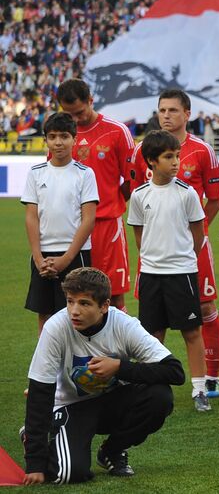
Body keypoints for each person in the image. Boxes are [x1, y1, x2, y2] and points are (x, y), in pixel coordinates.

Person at [22, 268, 185, 484]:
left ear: (105, 306)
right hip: (72, 406)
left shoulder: (124, 325)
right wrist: (35, 463)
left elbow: (175, 371)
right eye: (70, 301)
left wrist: (119, 367)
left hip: (113, 403)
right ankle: (41, 431)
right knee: (67, 474)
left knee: (160, 397)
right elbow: (39, 392)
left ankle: (111, 451)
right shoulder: (56, 327)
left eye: (84, 303)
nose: (74, 311)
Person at [133, 89, 219, 399]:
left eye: (173, 110)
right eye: (162, 109)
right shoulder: (142, 151)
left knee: (204, 307)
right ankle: (155, 381)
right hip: (156, 255)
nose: (166, 115)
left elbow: (214, 199)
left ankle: (210, 377)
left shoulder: (202, 151)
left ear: (187, 114)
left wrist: (190, 235)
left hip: (191, 249)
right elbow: (139, 206)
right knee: (153, 323)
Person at [126, 130, 209, 412]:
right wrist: (153, 257)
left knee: (191, 332)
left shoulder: (187, 194)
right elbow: (139, 235)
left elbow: (198, 233)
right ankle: (148, 389)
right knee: (152, 334)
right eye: (168, 157)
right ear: (151, 161)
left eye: (177, 156)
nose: (176, 162)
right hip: (150, 274)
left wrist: (183, 257)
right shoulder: (139, 195)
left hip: (182, 273)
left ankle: (199, 389)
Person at [56, 79, 134, 310]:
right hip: (70, 227)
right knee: (73, 295)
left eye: (79, 112)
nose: (75, 120)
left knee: (113, 295)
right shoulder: (61, 134)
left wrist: (111, 200)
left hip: (106, 226)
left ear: (91, 100)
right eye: (69, 114)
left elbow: (131, 179)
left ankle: (115, 347)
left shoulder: (117, 131)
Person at [23, 112, 98, 330]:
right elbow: (31, 217)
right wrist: (38, 260)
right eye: (53, 136)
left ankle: (76, 364)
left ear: (74, 139)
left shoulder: (85, 174)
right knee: (45, 316)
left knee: (78, 314)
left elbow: (88, 219)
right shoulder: (36, 173)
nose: (58, 142)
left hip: (76, 254)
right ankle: (48, 365)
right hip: (43, 256)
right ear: (45, 139)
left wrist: (66, 259)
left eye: (64, 136)